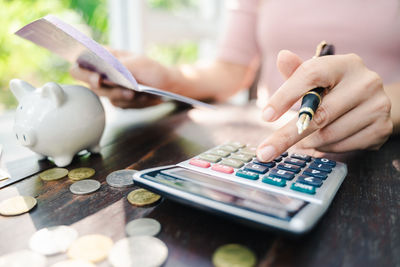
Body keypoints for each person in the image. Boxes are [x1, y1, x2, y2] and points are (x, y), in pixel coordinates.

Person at [70, 0, 399, 162]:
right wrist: (169, 79)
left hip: (387, 154)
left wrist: (385, 105)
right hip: (275, 145)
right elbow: (231, 70)